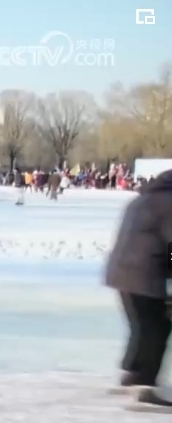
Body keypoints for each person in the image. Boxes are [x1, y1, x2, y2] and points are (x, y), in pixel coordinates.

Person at [104, 169, 172, 410]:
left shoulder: (141, 199)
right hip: (143, 273)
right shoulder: (168, 203)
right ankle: (144, 384)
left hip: (121, 271)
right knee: (157, 327)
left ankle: (132, 374)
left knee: (142, 325)